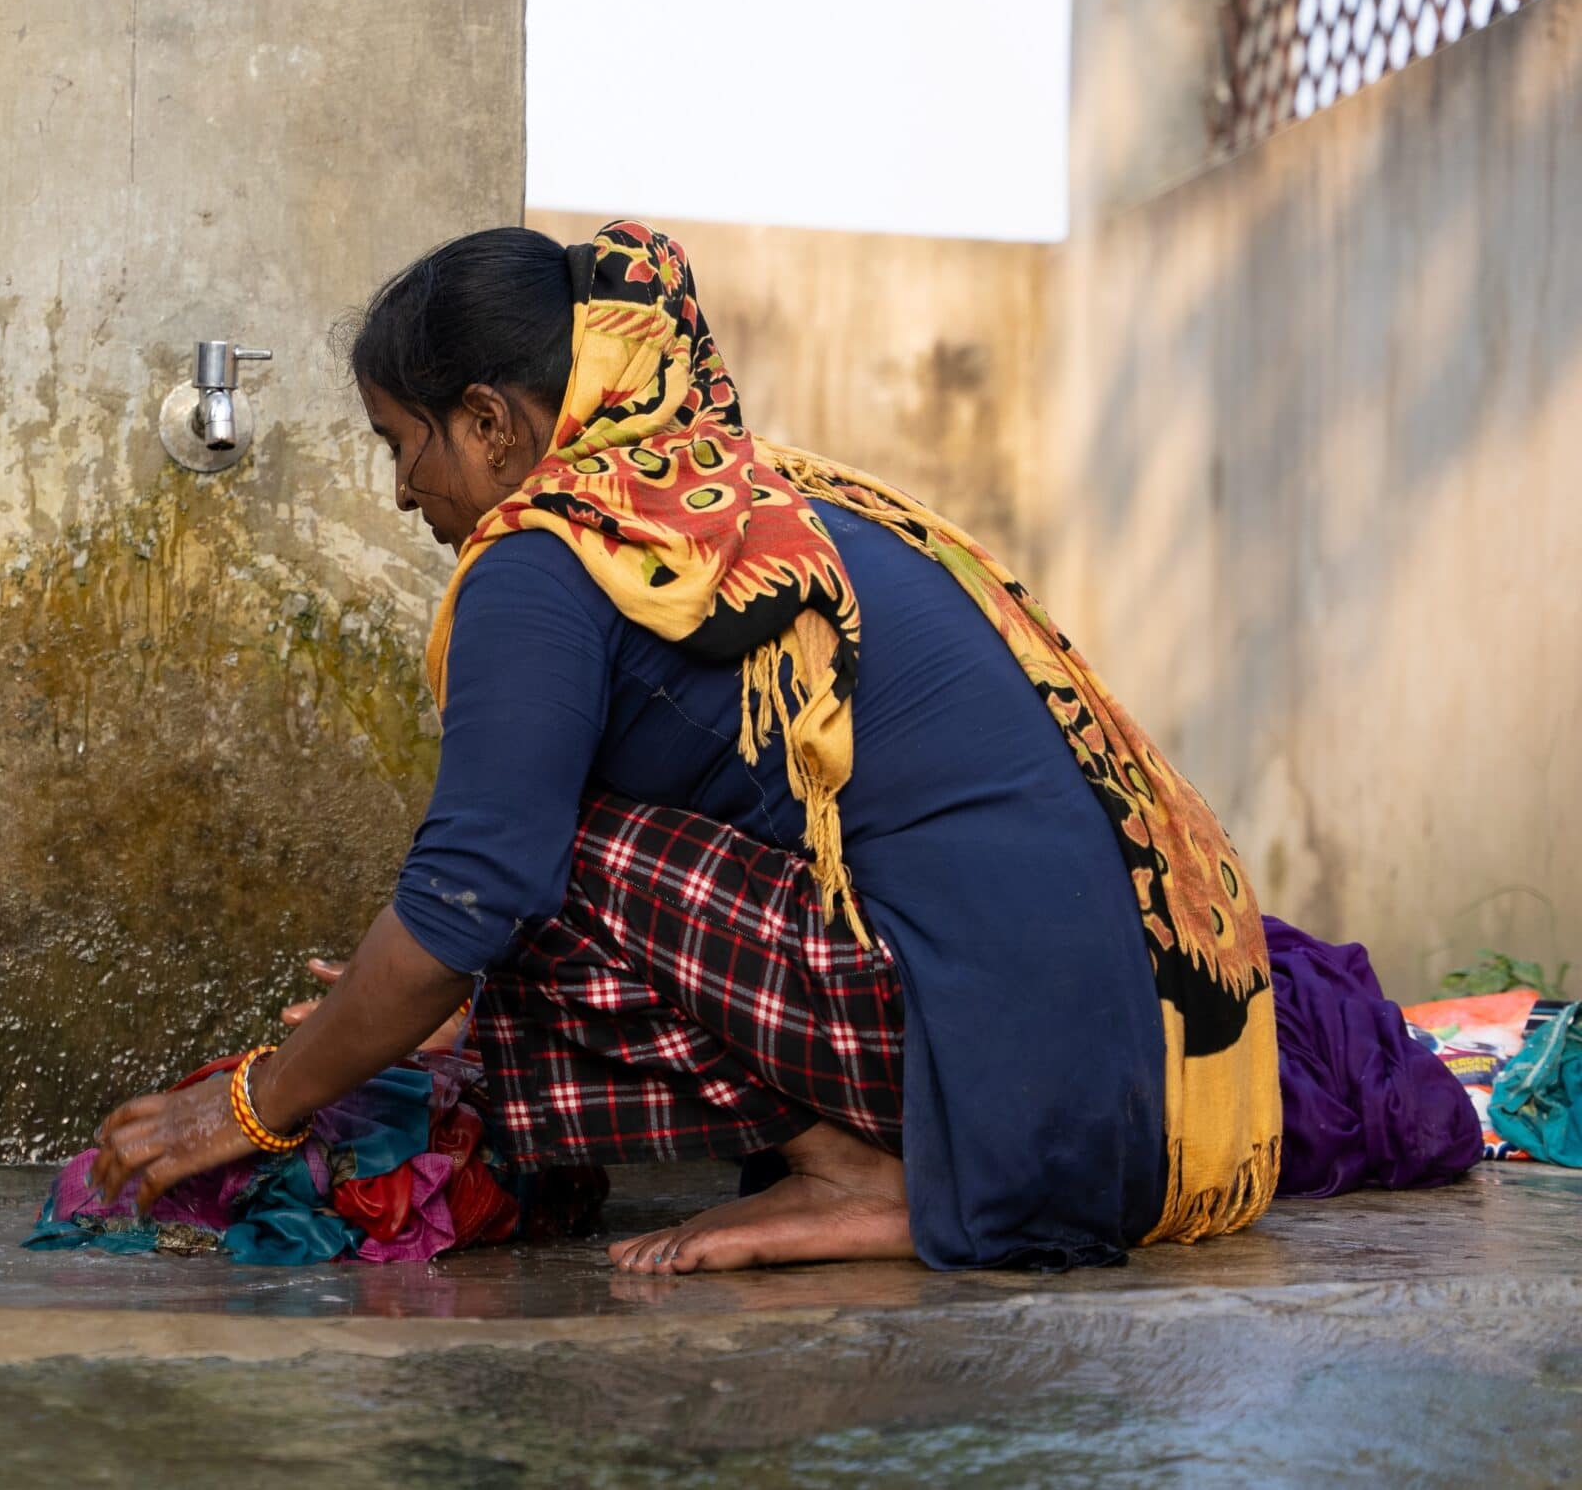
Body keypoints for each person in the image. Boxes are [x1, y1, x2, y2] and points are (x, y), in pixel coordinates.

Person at [90, 221, 1280, 1272]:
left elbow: (476, 897)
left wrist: (250, 1109)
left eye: (402, 444)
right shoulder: (733, 497)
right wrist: (440, 1010)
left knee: (539, 869)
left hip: (1017, 1098)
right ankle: (887, 1156)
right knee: (522, 885)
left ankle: (875, 1175)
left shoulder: (552, 549)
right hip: (1145, 1097)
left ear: (491, 424)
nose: (404, 493)